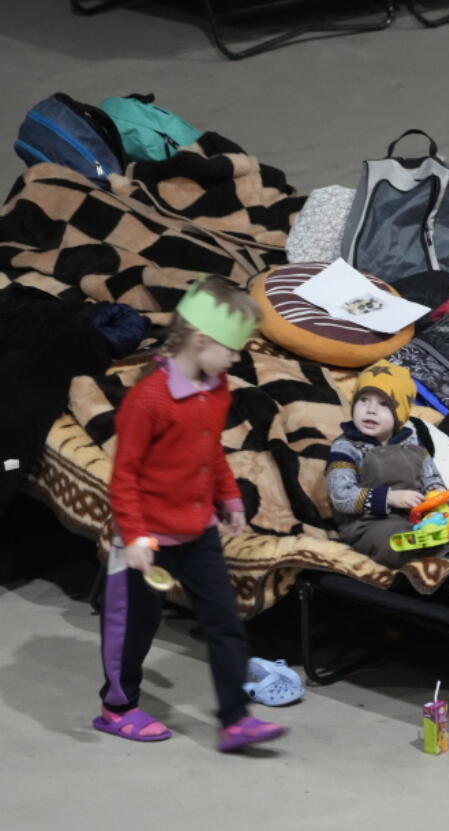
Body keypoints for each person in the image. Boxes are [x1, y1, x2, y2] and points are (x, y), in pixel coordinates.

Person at [99, 276, 287, 753]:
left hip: (198, 530)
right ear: (201, 340)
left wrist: (230, 499)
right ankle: (117, 708)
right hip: (147, 541)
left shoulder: (216, 386)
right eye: (234, 348)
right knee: (133, 628)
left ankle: (234, 719)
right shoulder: (148, 401)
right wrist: (136, 536)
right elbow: (124, 476)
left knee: (225, 622)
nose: (238, 358)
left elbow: (210, 453)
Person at [326, 360, 447, 568]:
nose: (371, 410)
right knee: (395, 541)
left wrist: (438, 494)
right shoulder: (345, 447)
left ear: (400, 413)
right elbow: (341, 496)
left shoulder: (412, 442)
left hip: (414, 517)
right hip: (367, 524)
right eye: (363, 400)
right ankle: (431, 563)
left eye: (384, 404)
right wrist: (390, 497)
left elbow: (431, 478)